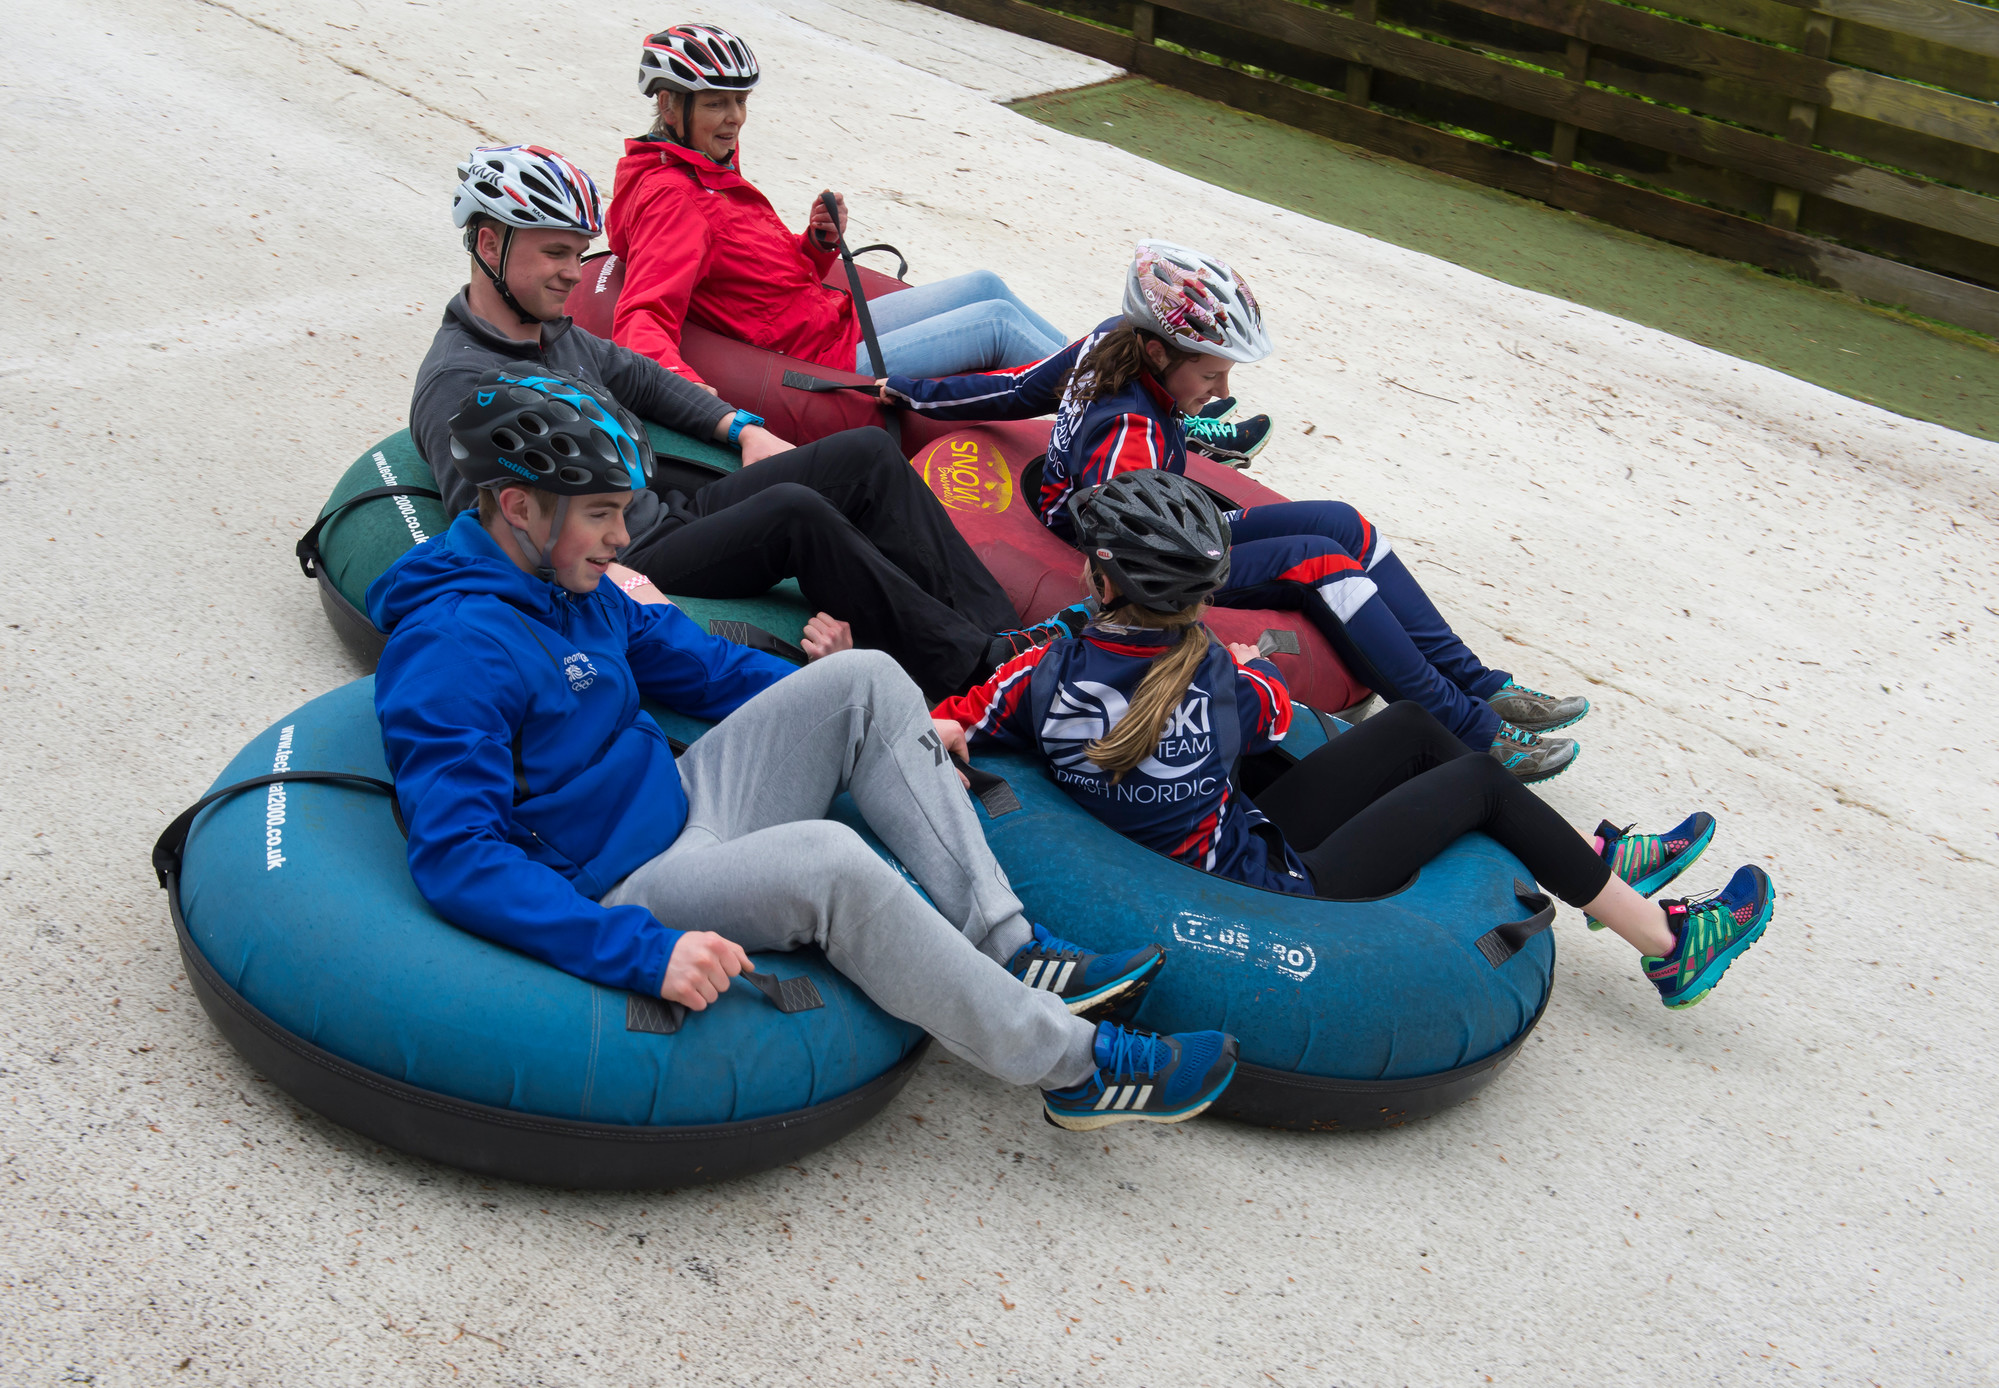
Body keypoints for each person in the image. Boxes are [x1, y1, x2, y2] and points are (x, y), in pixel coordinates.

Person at [366, 370, 1242, 1130]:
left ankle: (1010, 946)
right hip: (623, 880)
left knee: (867, 677)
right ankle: (1080, 1068)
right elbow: (457, 857)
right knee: (832, 857)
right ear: (517, 506)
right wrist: (638, 950)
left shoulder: (569, 585)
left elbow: (701, 667)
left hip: (683, 797)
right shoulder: (453, 649)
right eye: (599, 515)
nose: (622, 538)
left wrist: (880, 719)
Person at [932, 472, 1775, 1011]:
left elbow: (956, 717)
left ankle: (1602, 864)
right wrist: (1249, 661)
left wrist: (951, 718)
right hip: (1272, 886)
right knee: (1474, 779)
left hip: (1219, 843)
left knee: (1411, 731)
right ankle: (1668, 946)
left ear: (1103, 578)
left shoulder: (1038, 679)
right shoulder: (1221, 680)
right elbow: (1268, 715)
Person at [411, 142, 1089, 699]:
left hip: (659, 509)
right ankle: (973, 670)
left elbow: (642, 377)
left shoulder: (550, 331)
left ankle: (1003, 636)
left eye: (575, 250)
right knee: (798, 512)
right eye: (553, 252)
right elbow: (481, 525)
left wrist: (741, 427)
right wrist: (617, 579)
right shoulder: (462, 384)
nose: (571, 271)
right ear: (490, 242)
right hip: (626, 553)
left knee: (862, 454)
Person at [890, 240, 1590, 780]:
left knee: (1344, 522)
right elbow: (1131, 558)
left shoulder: (1110, 341)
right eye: (1210, 373)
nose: (1221, 389)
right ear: (1158, 352)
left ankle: (1484, 686)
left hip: (1170, 521)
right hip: (1154, 554)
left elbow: (1015, 390)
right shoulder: (1127, 437)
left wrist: (908, 389)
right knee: (1321, 560)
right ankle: (1470, 730)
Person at [607, 23, 1071, 384]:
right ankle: (1121, 401)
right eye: (716, 105)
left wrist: (815, 242)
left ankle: (1117, 364)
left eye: (741, 100)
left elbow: (753, 272)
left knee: (984, 285)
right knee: (997, 324)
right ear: (669, 106)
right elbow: (644, 314)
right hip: (820, 359)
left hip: (826, 320)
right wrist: (686, 394)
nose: (735, 119)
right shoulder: (674, 198)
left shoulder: (706, 167)